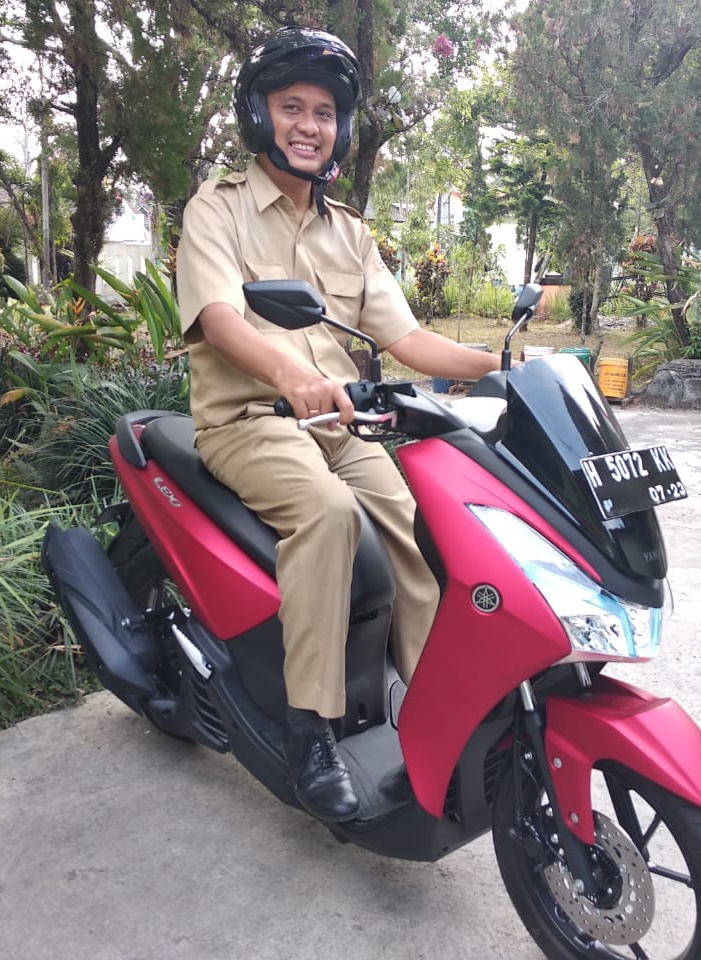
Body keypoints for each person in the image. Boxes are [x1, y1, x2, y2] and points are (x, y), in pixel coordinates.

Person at [174, 27, 502, 823]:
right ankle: (310, 729)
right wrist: (294, 376)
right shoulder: (218, 208)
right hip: (250, 420)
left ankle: (439, 711)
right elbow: (220, 318)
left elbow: (406, 338)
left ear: (341, 128)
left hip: (341, 425)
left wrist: (503, 364)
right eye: (293, 107)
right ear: (261, 114)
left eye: (324, 112)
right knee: (327, 515)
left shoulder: (348, 230)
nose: (309, 126)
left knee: (421, 520)